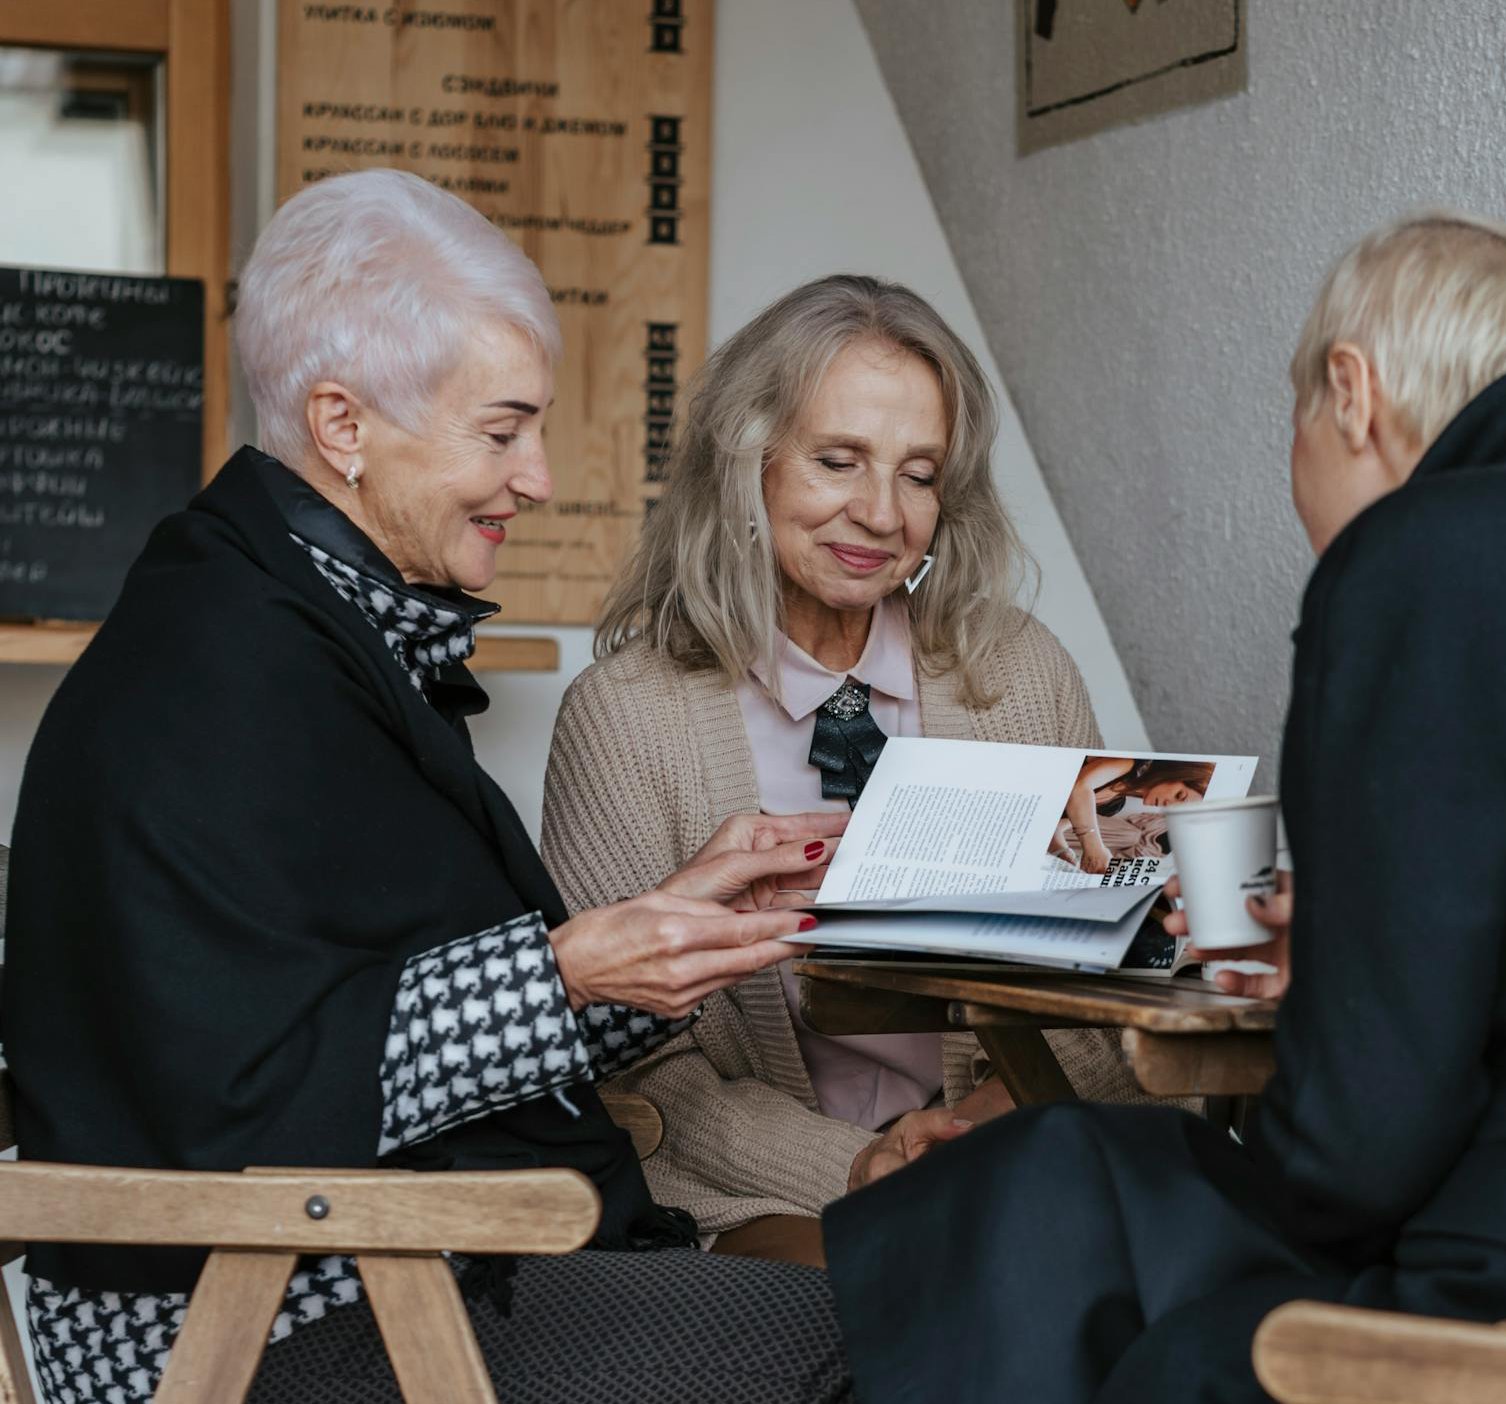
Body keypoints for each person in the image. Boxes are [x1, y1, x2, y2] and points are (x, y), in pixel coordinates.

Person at [819, 210, 1506, 1403]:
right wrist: (1350, 954)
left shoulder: (1412, 560)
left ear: (1350, 392)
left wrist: (1326, 1030)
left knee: (1054, 1203)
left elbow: (1350, 1155)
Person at [0, 169, 853, 1403]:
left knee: (928, 1294)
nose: (540, 477)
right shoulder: (216, 674)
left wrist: (667, 929)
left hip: (373, 1260)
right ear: (343, 426)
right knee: (886, 1339)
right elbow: (240, 1089)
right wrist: (570, 969)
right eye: (501, 432)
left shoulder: (299, 625)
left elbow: (374, 1022)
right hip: (248, 1324)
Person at [542, 274, 1172, 1268]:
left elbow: (1106, 990)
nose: (881, 513)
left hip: (1014, 1159)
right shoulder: (625, 716)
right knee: (908, 1295)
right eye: (839, 461)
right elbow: (644, 1062)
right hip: (757, 1193)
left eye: (918, 473)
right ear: (748, 462)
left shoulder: (1021, 672)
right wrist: (865, 1163)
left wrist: (977, 1127)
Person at [1047, 756, 1215, 872]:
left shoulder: (1113, 806)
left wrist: (1062, 853)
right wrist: (1094, 847)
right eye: (1179, 795)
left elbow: (1056, 828)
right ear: (1176, 773)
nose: (1168, 805)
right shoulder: (1130, 764)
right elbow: (1080, 786)